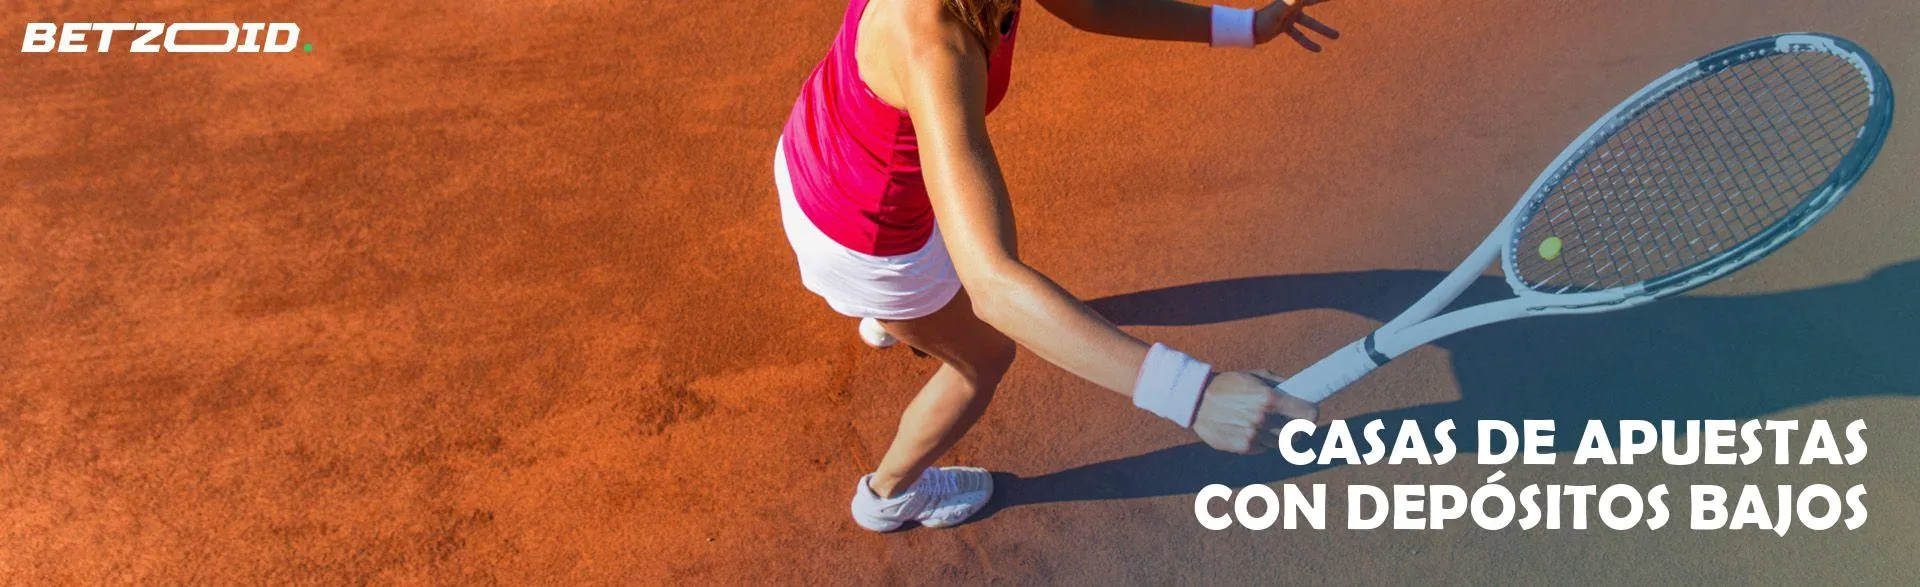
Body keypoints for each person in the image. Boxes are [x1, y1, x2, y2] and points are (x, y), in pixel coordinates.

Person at [773, 0, 1337, 532]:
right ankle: (890, 496)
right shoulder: (934, 46)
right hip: (867, 240)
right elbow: (992, 285)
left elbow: (1095, 6)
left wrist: (1247, 26)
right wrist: (1195, 395)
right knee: (986, 356)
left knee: (955, 262)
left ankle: (901, 315)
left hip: (823, 147)